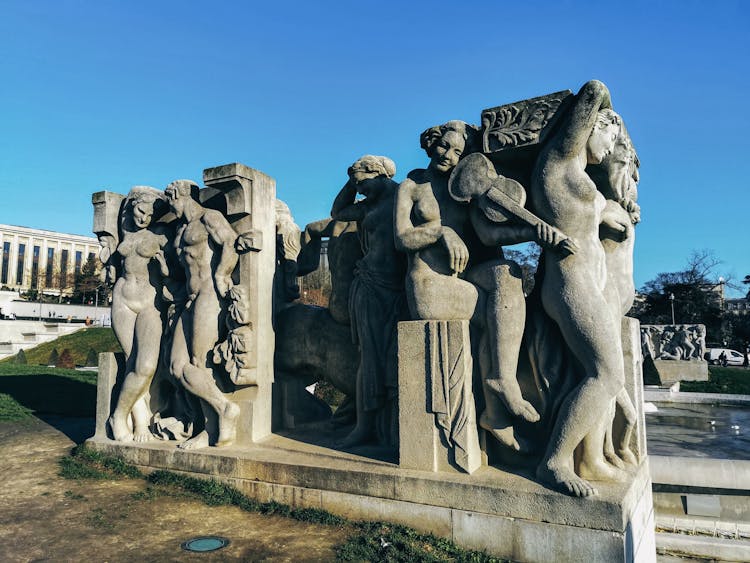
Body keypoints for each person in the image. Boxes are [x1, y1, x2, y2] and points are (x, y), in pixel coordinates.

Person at [395, 121, 548, 452]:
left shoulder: (463, 191)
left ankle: (499, 390)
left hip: (463, 282)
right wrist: (441, 232)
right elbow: (401, 237)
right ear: (430, 143)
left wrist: (537, 231)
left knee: (508, 274)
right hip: (430, 284)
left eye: (457, 152)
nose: (447, 154)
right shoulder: (412, 186)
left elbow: (489, 236)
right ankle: (497, 403)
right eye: (443, 145)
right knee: (497, 320)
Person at [530, 80, 626, 497]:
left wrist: (610, 212)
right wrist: (601, 102)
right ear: (589, 128)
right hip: (571, 283)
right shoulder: (559, 162)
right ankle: (553, 462)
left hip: (585, 281)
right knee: (606, 375)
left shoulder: (579, 179)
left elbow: (587, 212)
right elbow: (593, 89)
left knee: (599, 374)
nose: (609, 150)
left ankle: (589, 457)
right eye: (609, 136)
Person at [331, 155, 406, 447]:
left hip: (398, 287)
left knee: (395, 356)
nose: (359, 190)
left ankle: (393, 426)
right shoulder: (366, 207)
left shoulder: (404, 194)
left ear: (379, 175)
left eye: (362, 183)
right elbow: (338, 212)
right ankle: (363, 427)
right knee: (369, 357)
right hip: (370, 286)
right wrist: (351, 182)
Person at [165, 179, 241, 449]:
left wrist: (222, 274)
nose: (169, 206)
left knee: (200, 362)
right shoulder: (180, 229)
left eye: (170, 199)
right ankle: (223, 408)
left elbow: (231, 242)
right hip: (189, 299)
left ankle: (211, 427)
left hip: (210, 295)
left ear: (181, 195)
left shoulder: (209, 217)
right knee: (176, 367)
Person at [108, 186, 171, 442]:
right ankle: (138, 421)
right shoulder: (125, 230)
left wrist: (164, 264)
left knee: (145, 366)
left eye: (148, 215)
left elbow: (177, 271)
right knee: (130, 360)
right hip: (122, 298)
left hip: (149, 302)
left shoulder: (162, 234)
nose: (143, 218)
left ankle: (119, 415)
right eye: (139, 211)